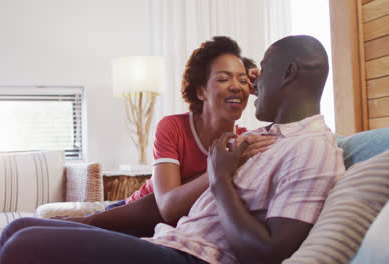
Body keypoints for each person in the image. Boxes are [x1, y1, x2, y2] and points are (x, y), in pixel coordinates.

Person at [0, 35, 345, 264]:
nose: (250, 82)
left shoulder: (311, 150)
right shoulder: (266, 136)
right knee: (16, 229)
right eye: (229, 77)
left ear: (288, 74)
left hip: (194, 256)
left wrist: (219, 175)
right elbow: (161, 206)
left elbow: (267, 253)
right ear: (202, 91)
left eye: (255, 75)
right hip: (165, 233)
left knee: (24, 246)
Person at [50, 36, 275, 236]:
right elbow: (167, 207)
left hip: (173, 232)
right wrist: (220, 169)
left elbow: (289, 123)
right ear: (200, 92)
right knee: (38, 230)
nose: (237, 87)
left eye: (244, 81)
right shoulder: (174, 127)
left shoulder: (246, 142)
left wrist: (269, 88)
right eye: (224, 79)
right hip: (130, 215)